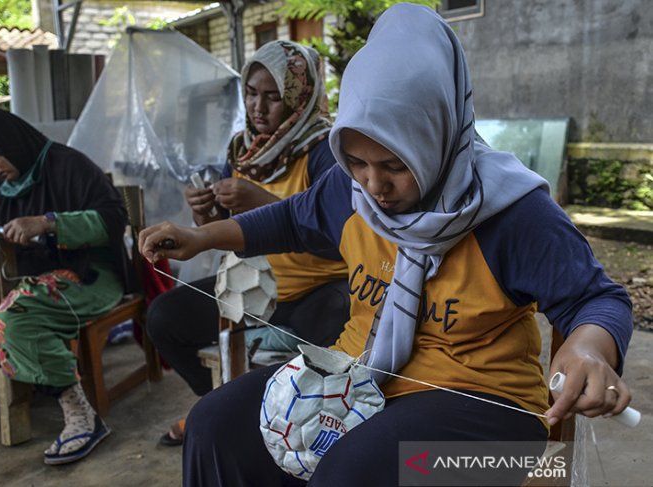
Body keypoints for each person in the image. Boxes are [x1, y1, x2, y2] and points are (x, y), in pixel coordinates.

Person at [139, 4, 634, 486]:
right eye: (355, 161)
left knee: (352, 471)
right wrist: (200, 237)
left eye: (396, 165)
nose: (374, 186)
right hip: (360, 378)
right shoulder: (349, 191)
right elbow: (291, 218)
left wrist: (588, 348)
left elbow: (596, 297)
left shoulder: (511, 212)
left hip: (494, 430)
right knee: (215, 425)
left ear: (439, 133)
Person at [145, 39, 349, 446]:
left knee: (337, 329)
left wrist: (263, 202)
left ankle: (290, 419)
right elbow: (229, 231)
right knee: (164, 318)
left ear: (300, 98)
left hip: (321, 288)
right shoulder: (243, 150)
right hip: (258, 285)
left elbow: (342, 239)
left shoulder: (327, 150)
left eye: (274, 98)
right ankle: (217, 405)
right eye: (252, 94)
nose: (258, 108)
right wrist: (204, 216)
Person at [0, 109, 131, 466]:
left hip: (91, 275)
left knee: (17, 318)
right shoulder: (5, 190)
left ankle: (82, 415)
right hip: (29, 276)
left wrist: (48, 223)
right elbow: (0, 245)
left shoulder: (69, 165)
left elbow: (114, 219)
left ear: (12, 142)